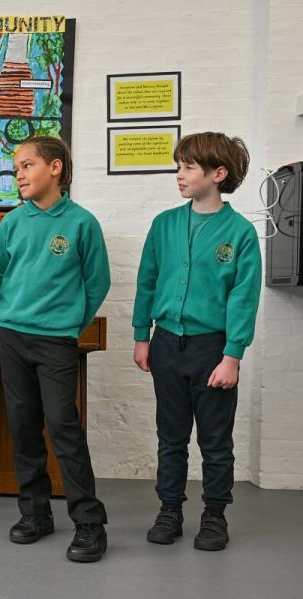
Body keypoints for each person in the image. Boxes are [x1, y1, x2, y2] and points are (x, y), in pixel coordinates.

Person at [133, 132, 261, 551]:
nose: (179, 174)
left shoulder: (239, 233)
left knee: (214, 440)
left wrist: (233, 356)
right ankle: (170, 509)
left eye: (188, 167)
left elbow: (243, 297)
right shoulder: (165, 224)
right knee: (170, 435)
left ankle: (214, 515)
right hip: (167, 343)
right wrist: (142, 335)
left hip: (213, 349)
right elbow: (147, 281)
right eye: (179, 166)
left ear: (218, 174)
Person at [0, 136, 110, 562]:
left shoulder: (81, 223)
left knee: (64, 428)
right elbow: (2, 273)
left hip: (57, 340)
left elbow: (97, 282)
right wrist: (18, 315)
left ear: (56, 168)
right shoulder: (12, 223)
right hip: (12, 336)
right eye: (17, 167)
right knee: (24, 427)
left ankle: (89, 524)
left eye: (27, 165)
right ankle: (35, 513)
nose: (19, 174)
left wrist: (68, 325)